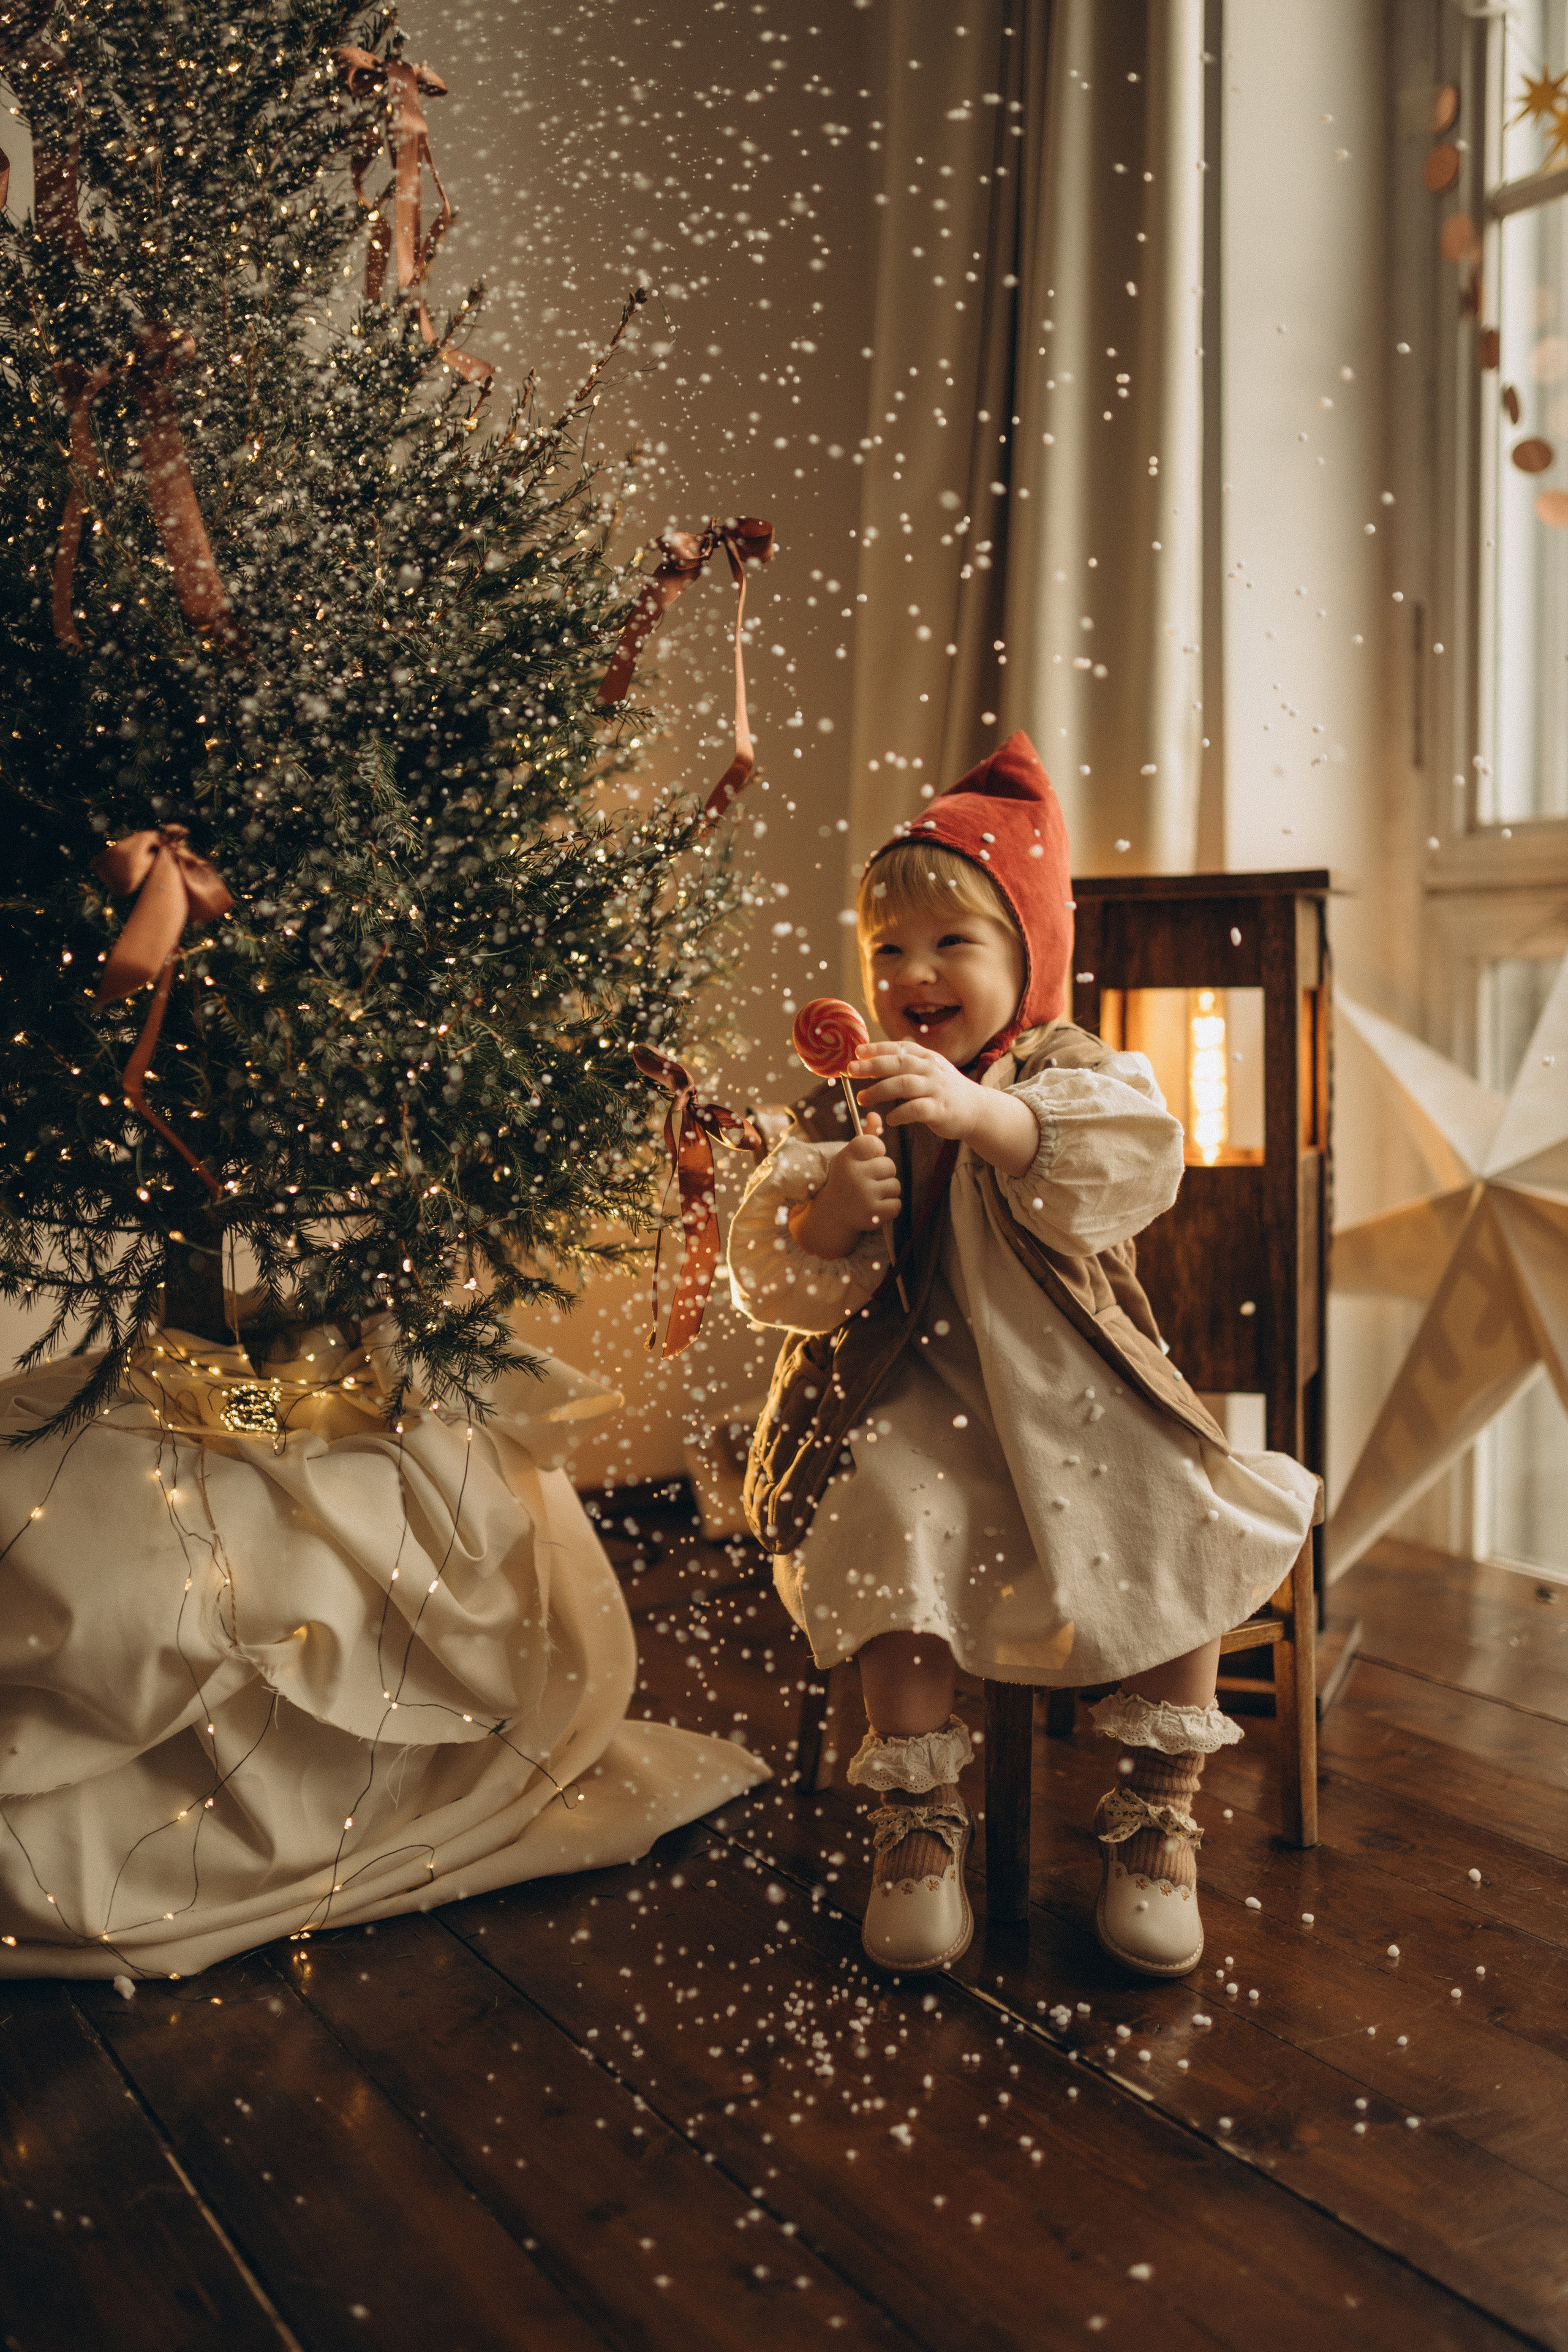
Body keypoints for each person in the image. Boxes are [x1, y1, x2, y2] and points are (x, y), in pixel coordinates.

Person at [726, 733, 1317, 1978]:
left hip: (1071, 1398)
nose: (913, 974)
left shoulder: (1071, 1075)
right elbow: (777, 1277)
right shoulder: (846, 1105)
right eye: (886, 949)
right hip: (900, 1394)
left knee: (1179, 1509)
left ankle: (1158, 1808)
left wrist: (983, 1115)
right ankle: (914, 1823)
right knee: (893, 1511)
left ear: (1028, 961)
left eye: (953, 945)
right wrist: (830, 1208)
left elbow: (1120, 1163)